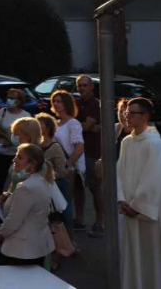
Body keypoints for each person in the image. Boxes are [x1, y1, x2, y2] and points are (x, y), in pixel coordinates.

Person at [117, 97, 161, 288]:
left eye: (131, 113)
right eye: (126, 112)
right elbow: (119, 172)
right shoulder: (126, 142)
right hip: (128, 210)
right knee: (131, 257)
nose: (126, 116)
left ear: (145, 116)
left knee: (150, 258)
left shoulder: (156, 145)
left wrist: (137, 208)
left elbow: (154, 179)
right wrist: (122, 199)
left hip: (147, 214)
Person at [0, 143, 56, 265]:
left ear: (31, 164)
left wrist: (0, 232)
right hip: (35, 248)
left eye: (19, 157)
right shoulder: (42, 181)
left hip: (20, 251)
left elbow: (14, 221)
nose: (14, 160)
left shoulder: (26, 187)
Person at [73, 74, 104, 237]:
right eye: (79, 85)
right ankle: (79, 220)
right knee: (78, 187)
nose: (82, 88)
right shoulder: (76, 103)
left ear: (92, 87)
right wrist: (85, 126)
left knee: (94, 187)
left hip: (92, 151)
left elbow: (86, 125)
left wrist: (80, 125)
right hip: (77, 152)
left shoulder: (95, 104)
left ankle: (99, 222)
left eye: (85, 85)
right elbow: (82, 126)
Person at [51, 89, 84, 233]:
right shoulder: (55, 123)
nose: (56, 104)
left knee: (65, 202)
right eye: (54, 101)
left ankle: (68, 237)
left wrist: (68, 164)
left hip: (68, 168)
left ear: (67, 103)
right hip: (54, 169)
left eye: (59, 101)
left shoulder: (73, 123)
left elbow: (79, 148)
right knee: (56, 203)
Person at [0, 88, 31, 201]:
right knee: (0, 176)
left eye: (12, 98)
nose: (9, 100)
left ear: (19, 100)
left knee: (16, 177)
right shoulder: (3, 111)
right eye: (8, 97)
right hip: (3, 151)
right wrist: (7, 137)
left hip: (18, 152)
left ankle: (12, 199)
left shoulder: (26, 115)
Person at [37, 112, 72, 235]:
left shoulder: (55, 147)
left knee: (61, 217)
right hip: (41, 189)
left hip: (55, 187)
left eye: (39, 125)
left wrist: (46, 176)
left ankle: (67, 238)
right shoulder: (36, 146)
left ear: (47, 128)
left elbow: (62, 172)